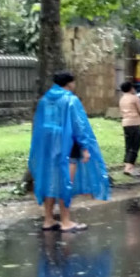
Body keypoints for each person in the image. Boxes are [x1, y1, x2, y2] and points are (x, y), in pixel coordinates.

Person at [29, 71, 110, 232]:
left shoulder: (44, 100)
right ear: (69, 83)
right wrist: (85, 147)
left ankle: (48, 219)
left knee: (50, 181)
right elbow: (78, 125)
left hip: (48, 147)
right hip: (68, 146)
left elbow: (40, 125)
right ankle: (66, 222)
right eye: (74, 82)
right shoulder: (70, 100)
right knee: (65, 182)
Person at [119, 81, 140, 176]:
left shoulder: (122, 99)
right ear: (131, 88)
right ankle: (129, 168)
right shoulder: (134, 98)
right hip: (134, 123)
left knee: (128, 145)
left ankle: (127, 166)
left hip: (125, 123)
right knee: (135, 145)